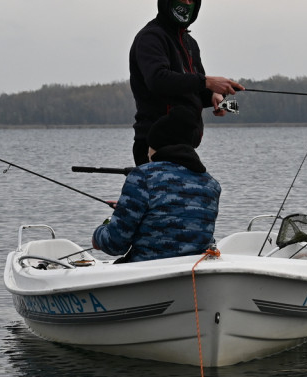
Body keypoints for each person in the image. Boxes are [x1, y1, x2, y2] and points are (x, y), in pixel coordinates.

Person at [129, 0, 245, 166]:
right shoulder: (151, 38)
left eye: (191, 0)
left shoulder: (190, 43)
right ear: (167, 0)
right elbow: (158, 80)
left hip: (184, 146)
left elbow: (192, 89)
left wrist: (215, 97)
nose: (186, 4)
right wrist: (207, 81)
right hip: (153, 144)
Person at [92, 108, 220, 263]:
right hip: (192, 275)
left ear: (157, 146)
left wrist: (98, 234)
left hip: (147, 276)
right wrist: (134, 210)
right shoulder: (211, 185)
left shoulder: (143, 177)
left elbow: (115, 244)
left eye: (149, 146)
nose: (147, 153)